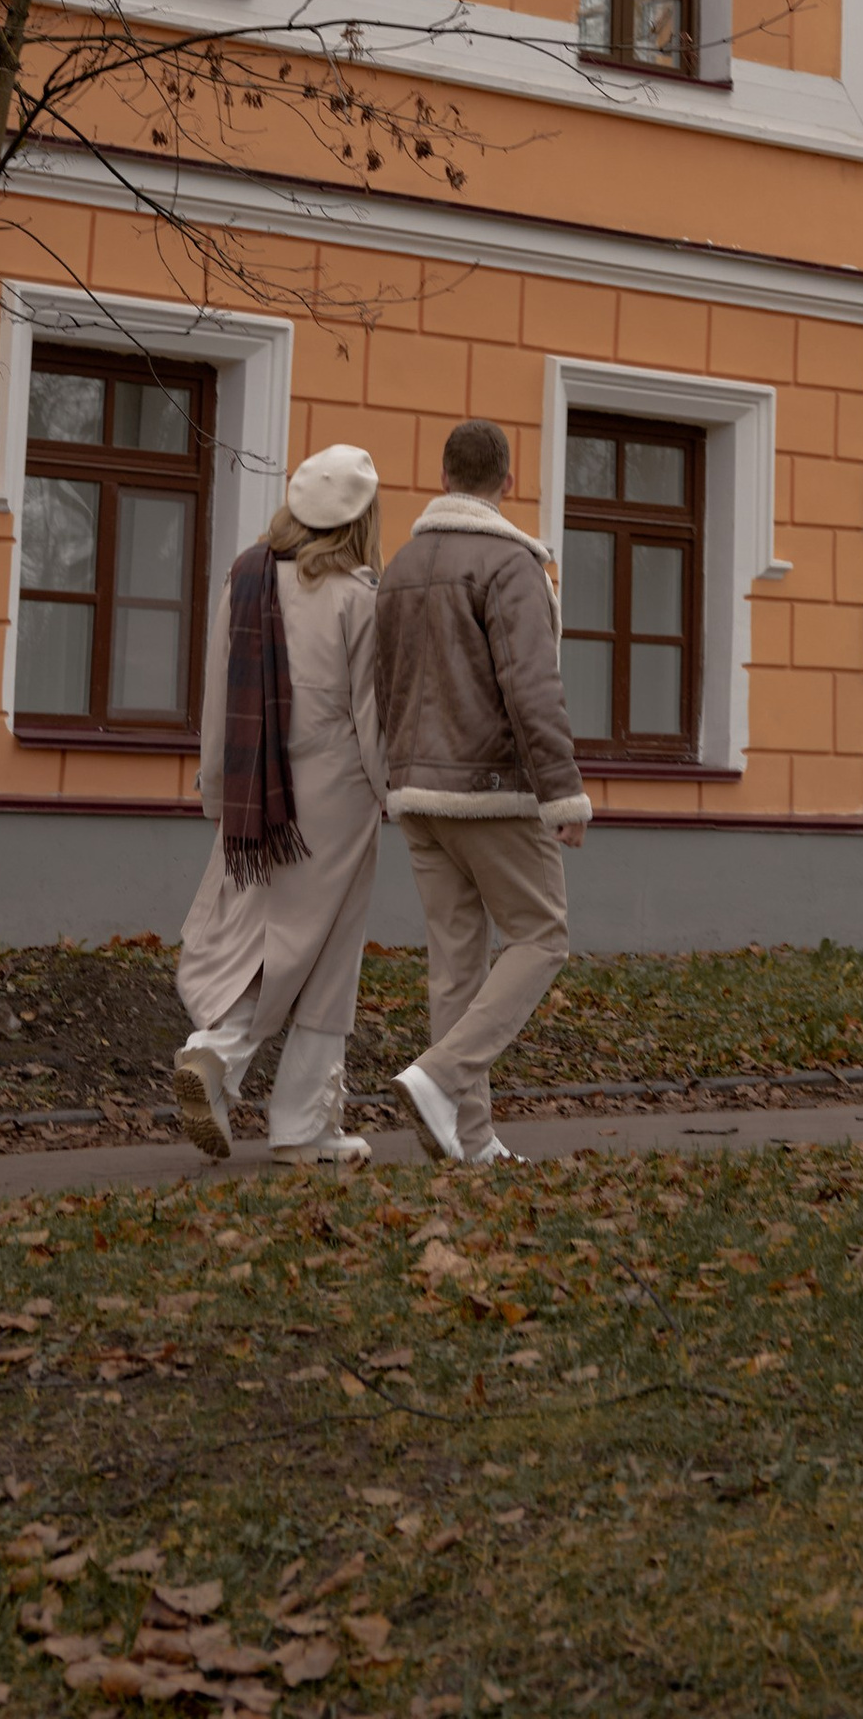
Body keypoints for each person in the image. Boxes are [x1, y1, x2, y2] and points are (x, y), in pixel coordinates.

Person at [373, 416, 591, 1166]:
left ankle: (468, 1139)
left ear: (443, 477)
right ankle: (438, 1077)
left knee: (456, 966)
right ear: (508, 482)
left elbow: (383, 682)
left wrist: (392, 777)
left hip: (416, 796)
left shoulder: (400, 567)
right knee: (542, 937)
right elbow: (532, 686)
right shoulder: (510, 564)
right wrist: (562, 792)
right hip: (491, 790)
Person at [172, 441, 386, 1167]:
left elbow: (217, 689)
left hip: (254, 793)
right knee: (324, 960)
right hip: (337, 801)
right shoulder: (358, 597)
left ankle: (225, 1064)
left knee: (255, 942)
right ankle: (270, 1099)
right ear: (361, 520)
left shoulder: (246, 577)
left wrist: (215, 788)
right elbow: (372, 719)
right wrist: (398, 795)